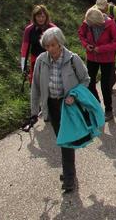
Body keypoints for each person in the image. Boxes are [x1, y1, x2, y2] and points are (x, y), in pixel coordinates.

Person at [29, 27, 91, 192]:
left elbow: (86, 80)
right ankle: (69, 171)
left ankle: (69, 176)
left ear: (60, 43)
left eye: (53, 45)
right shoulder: (42, 60)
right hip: (51, 105)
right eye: (47, 46)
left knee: (66, 139)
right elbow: (35, 87)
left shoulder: (73, 59)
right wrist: (34, 111)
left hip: (68, 106)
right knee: (61, 139)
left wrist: (74, 95)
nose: (51, 49)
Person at [78, 8, 116, 122]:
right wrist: (86, 45)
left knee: (105, 85)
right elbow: (81, 34)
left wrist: (101, 49)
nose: (89, 26)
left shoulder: (110, 24)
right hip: (92, 57)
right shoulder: (87, 22)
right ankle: (96, 104)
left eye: (92, 25)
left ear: (98, 22)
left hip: (107, 58)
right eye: (89, 24)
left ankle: (108, 109)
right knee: (90, 82)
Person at [21, 5, 56, 83]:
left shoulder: (53, 28)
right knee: (34, 82)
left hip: (50, 59)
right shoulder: (29, 30)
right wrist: (23, 65)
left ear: (46, 17)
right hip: (35, 59)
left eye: (43, 16)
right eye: (38, 16)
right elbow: (25, 48)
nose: (41, 19)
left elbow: (60, 46)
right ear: (34, 17)